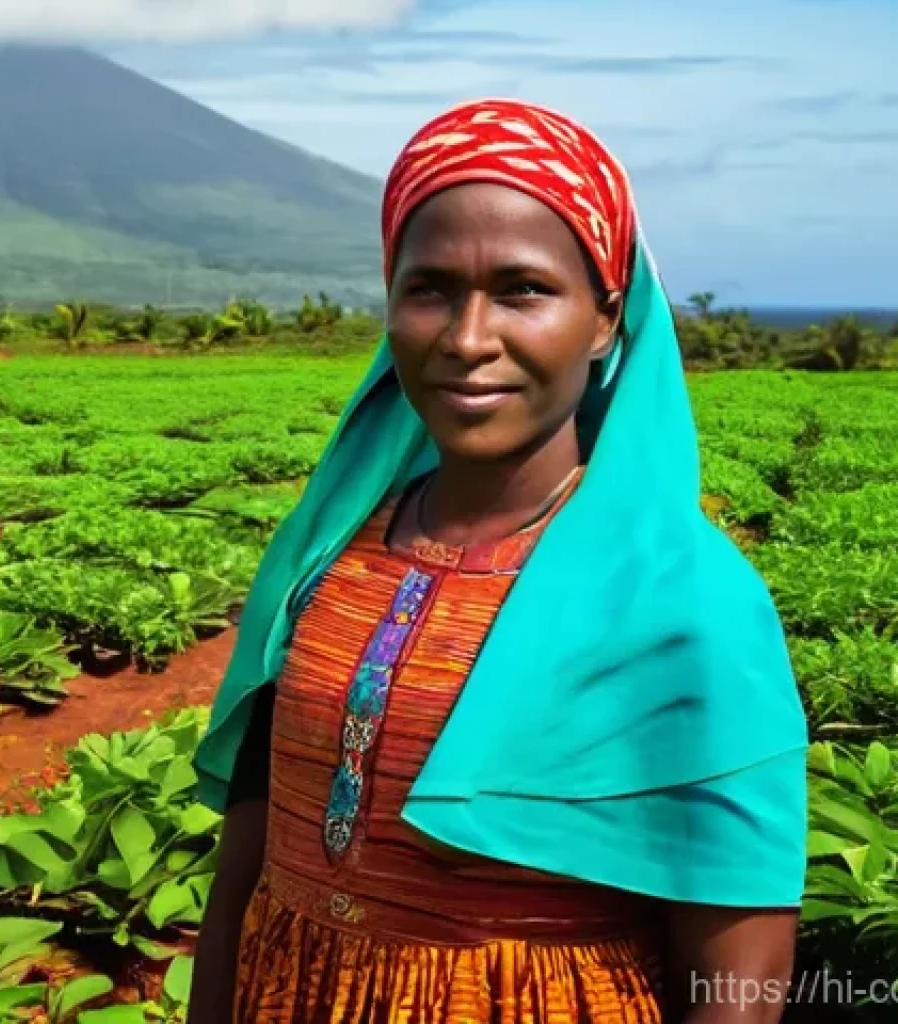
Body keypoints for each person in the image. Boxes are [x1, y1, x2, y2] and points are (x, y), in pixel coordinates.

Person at [186, 98, 809, 1023]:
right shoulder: (327, 556)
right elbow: (250, 856)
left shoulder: (687, 600)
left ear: (605, 320)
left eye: (523, 289)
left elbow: (739, 959)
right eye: (430, 287)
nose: (469, 339)